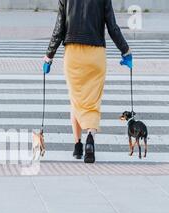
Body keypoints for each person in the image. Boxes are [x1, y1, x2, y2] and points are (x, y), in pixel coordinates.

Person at [43, 0, 133, 164]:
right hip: (96, 54)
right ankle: (90, 138)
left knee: (75, 100)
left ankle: (77, 145)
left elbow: (59, 27)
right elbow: (112, 27)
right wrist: (125, 50)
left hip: (73, 53)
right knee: (92, 102)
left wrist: (49, 55)